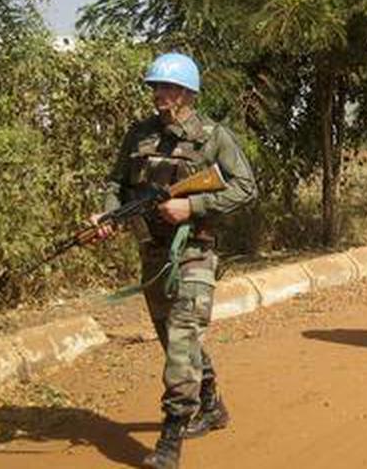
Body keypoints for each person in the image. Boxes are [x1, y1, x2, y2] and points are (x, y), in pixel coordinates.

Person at [93, 53, 258, 469]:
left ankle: (170, 443)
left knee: (182, 338)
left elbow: (246, 187)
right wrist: (108, 214)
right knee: (173, 340)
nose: (159, 95)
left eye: (167, 88)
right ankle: (211, 404)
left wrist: (194, 206)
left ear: (187, 93)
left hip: (195, 252)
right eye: (155, 87)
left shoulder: (212, 136)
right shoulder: (138, 135)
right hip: (153, 253)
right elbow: (117, 184)